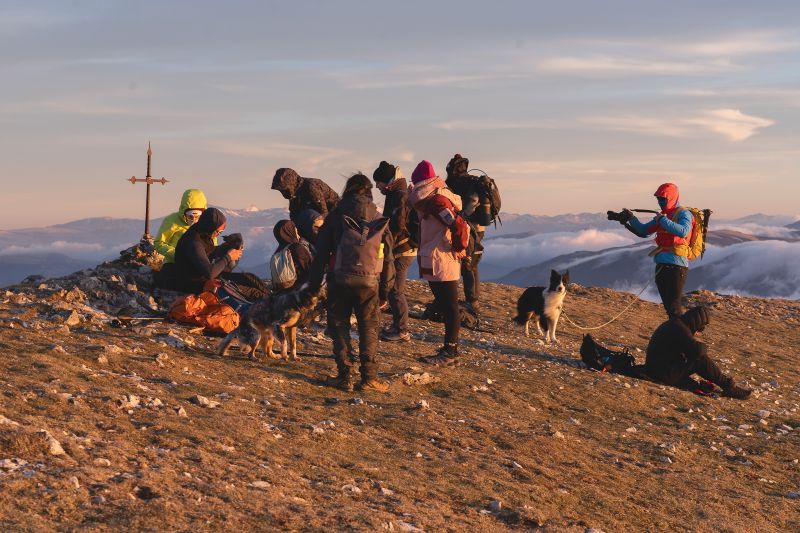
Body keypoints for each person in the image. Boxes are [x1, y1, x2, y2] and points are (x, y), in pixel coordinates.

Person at [308, 174, 390, 393]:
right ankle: (369, 378)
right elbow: (388, 256)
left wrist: (314, 285)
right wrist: (385, 290)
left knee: (339, 325)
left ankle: (345, 376)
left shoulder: (336, 215)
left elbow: (322, 252)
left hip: (340, 279)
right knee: (369, 327)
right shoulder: (377, 216)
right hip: (370, 281)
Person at [409, 160, 469, 365]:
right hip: (435, 257)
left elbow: (457, 224)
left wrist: (460, 247)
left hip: (441, 258)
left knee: (449, 306)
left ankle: (450, 351)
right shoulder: (431, 199)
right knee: (445, 305)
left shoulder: (437, 201)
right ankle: (449, 348)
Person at [620, 183, 693, 318]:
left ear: (671, 198)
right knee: (669, 308)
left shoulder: (684, 213)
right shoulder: (664, 216)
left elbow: (683, 231)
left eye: (663, 199)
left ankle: (682, 335)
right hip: (661, 265)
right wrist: (630, 218)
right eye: (659, 199)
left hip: (677, 266)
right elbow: (643, 231)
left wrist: (662, 220)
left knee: (674, 308)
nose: (660, 202)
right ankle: (676, 335)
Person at [646, 307, 751, 399]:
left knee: (695, 357)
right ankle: (729, 387)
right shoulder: (680, 328)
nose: (698, 332)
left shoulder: (675, 324)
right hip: (662, 373)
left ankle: (726, 385)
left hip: (657, 370)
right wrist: (703, 346)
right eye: (700, 328)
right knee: (699, 359)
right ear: (696, 323)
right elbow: (698, 351)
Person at [172, 208, 268, 300]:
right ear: (211, 227)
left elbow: (208, 252)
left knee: (249, 278)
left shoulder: (203, 233)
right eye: (219, 231)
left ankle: (271, 295)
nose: (219, 234)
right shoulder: (193, 241)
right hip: (195, 283)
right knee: (251, 292)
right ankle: (270, 303)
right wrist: (228, 257)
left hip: (203, 277)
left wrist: (227, 246)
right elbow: (210, 273)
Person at [373, 161, 417, 342]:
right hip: (405, 247)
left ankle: (401, 329)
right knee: (393, 288)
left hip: (403, 249)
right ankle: (398, 326)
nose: (377, 186)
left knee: (395, 290)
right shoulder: (397, 192)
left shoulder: (398, 195)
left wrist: (388, 238)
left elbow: (398, 223)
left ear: (387, 181)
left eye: (378, 183)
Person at [445, 154, 484, 311]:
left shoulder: (457, 182)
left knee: (466, 263)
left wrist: (460, 219)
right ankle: (474, 298)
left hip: (467, 226)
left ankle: (471, 300)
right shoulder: (473, 181)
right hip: (479, 227)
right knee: (472, 263)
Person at [154, 189, 210, 263]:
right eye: (190, 216)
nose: (193, 219)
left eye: (197, 216)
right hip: (174, 265)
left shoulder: (206, 223)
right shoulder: (172, 220)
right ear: (184, 211)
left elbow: (212, 244)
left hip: (199, 267)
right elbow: (159, 243)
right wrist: (178, 254)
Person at [271, 168, 340, 222]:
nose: (283, 193)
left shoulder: (311, 188)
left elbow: (323, 212)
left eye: (284, 190)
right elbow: (294, 212)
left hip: (336, 215)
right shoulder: (295, 193)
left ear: (290, 185)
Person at [270, 219, 313, 292]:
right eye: (295, 229)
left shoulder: (277, 253)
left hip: (283, 293)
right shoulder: (297, 248)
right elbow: (310, 269)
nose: (297, 233)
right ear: (290, 230)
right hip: (300, 290)